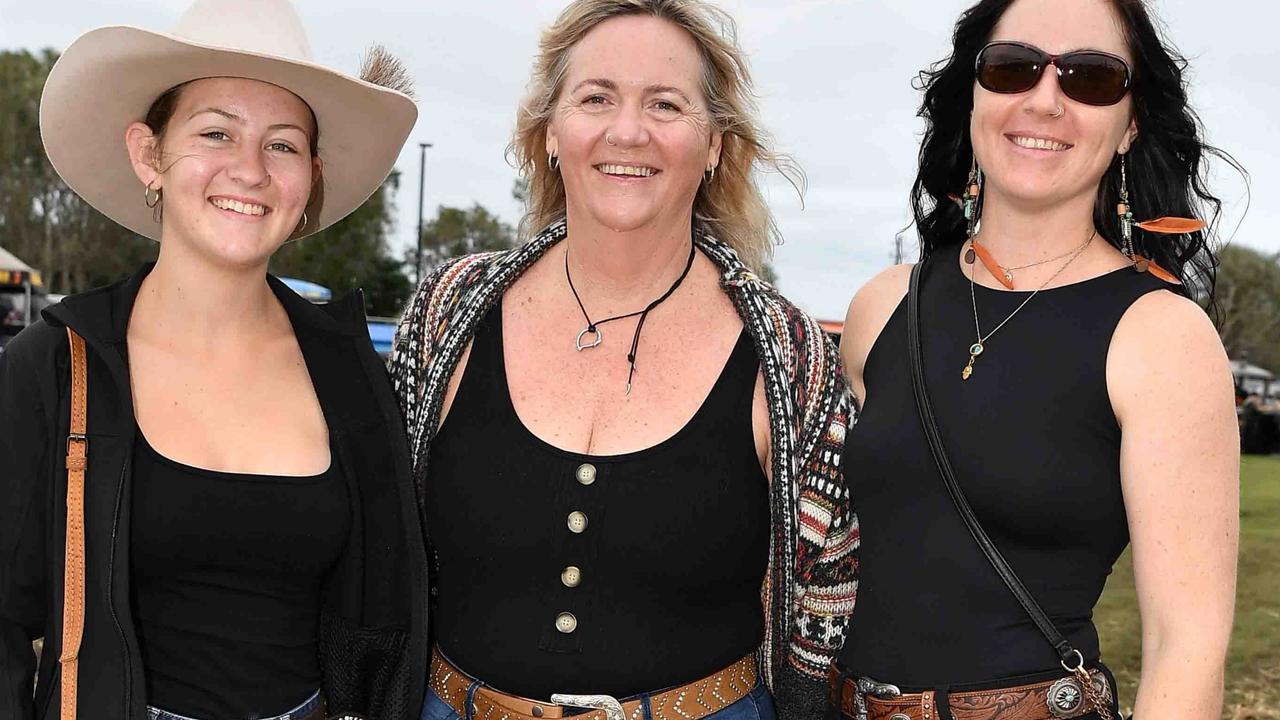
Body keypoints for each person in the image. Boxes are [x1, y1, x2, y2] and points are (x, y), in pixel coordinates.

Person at [388, 1, 855, 719]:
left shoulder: (789, 355)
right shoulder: (450, 311)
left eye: (666, 104)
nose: (628, 130)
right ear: (549, 132)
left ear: (715, 147)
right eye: (596, 97)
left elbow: (831, 593)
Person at [0, 2, 428, 718]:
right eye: (215, 132)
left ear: (310, 177)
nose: (250, 170)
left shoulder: (351, 375)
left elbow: (383, 616)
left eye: (283, 145)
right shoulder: (54, 368)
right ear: (149, 154)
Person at [829, 0, 1239, 718]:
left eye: (1091, 78)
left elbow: (1187, 645)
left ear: (1130, 124)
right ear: (975, 96)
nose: (1045, 100)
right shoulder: (883, 305)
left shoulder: (1161, 337)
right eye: (1013, 67)